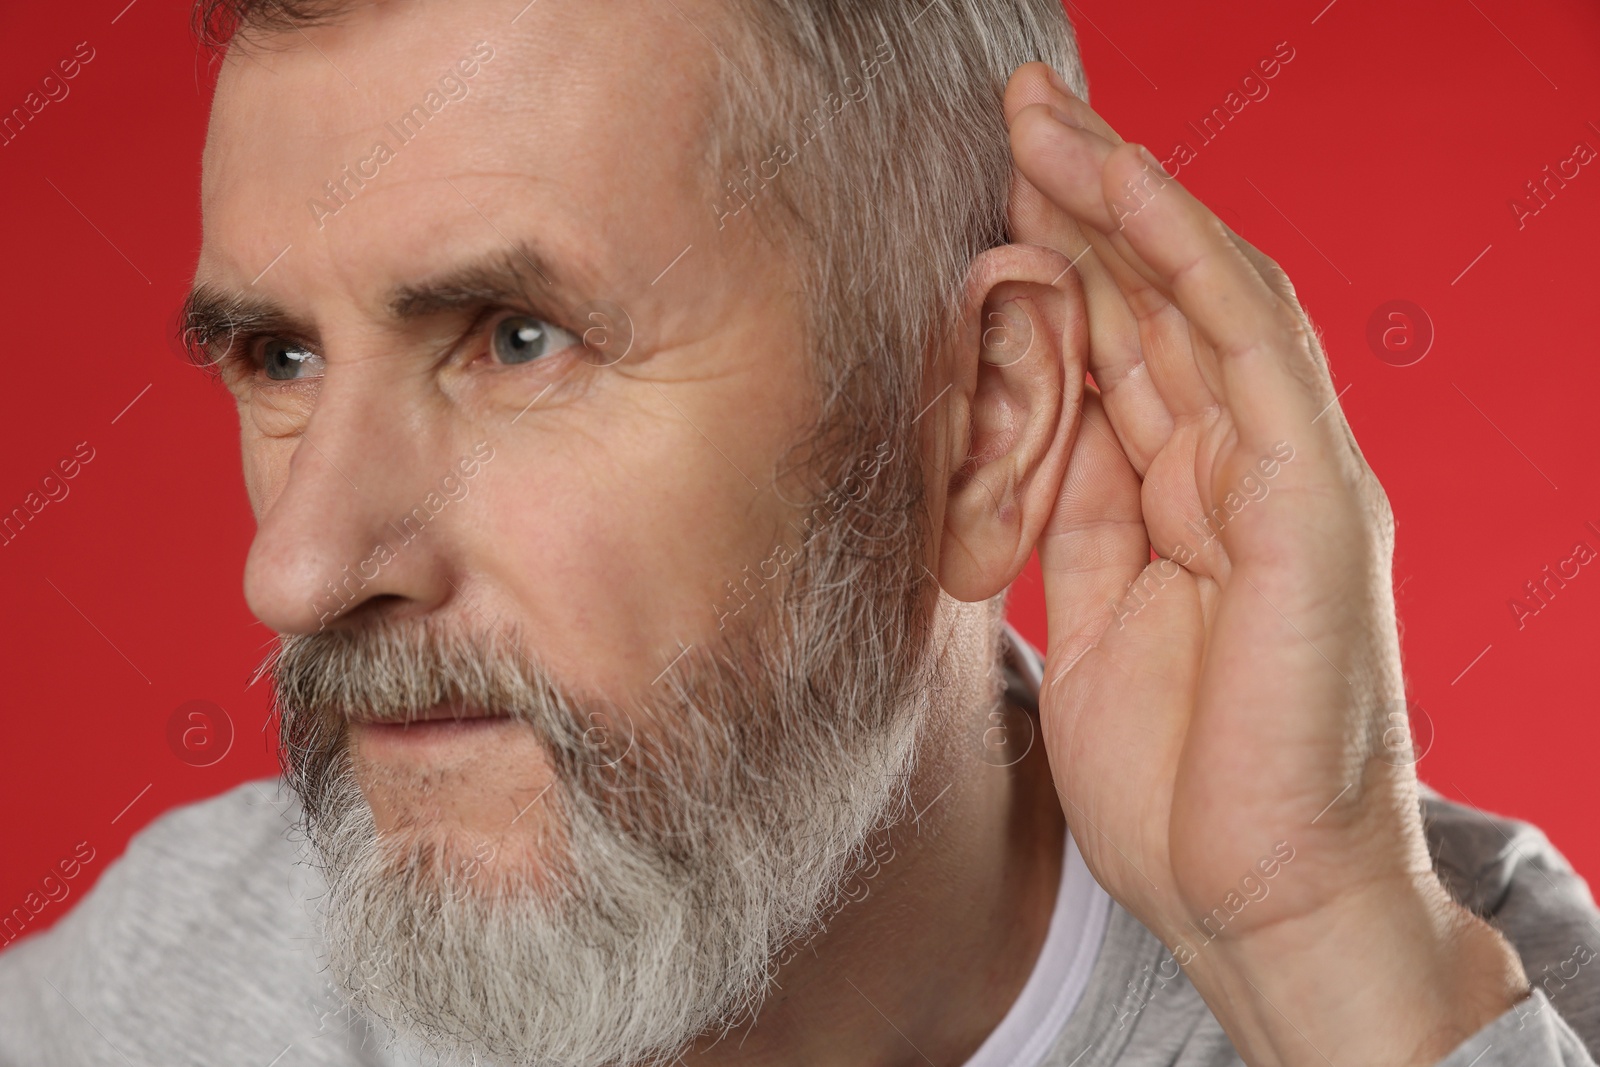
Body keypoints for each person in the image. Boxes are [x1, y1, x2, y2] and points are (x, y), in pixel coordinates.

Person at [1, 1, 1595, 1065]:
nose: (297, 568)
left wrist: (1321, 955)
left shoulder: (1446, 987)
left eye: (516, 338)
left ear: (978, 424)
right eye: (278, 358)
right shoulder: (167, 989)